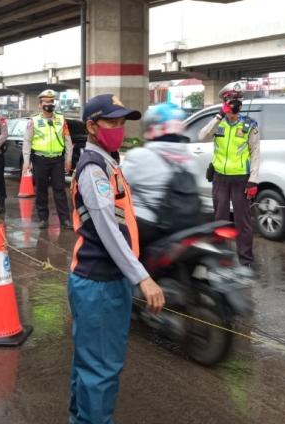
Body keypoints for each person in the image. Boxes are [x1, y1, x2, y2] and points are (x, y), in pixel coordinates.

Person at [68, 93, 164, 424]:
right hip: (99, 283)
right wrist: (143, 277)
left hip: (102, 281)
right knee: (101, 371)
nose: (119, 128)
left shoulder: (108, 160)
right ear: (92, 126)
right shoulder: (94, 169)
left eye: (123, 122)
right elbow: (108, 230)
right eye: (112, 122)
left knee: (90, 365)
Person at [121, 102, 202, 245]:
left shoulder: (139, 156)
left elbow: (116, 187)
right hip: (184, 227)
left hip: (149, 229)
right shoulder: (188, 159)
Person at [198, 83, 260, 265]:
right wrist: (219, 115)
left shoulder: (249, 125)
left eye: (238, 100)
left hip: (241, 179)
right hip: (220, 178)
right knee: (220, 220)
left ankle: (246, 261)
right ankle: (221, 259)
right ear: (224, 102)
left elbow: (256, 152)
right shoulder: (218, 123)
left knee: (243, 222)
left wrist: (253, 180)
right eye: (231, 100)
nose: (234, 104)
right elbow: (202, 135)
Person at [22, 89, 73, 228]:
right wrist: (27, 162)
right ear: (40, 104)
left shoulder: (61, 120)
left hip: (57, 160)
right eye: (46, 102)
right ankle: (43, 218)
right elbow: (27, 141)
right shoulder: (34, 121)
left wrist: (68, 159)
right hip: (40, 160)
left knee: (60, 190)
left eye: (51, 101)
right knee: (41, 190)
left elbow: (68, 140)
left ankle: (65, 220)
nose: (49, 104)